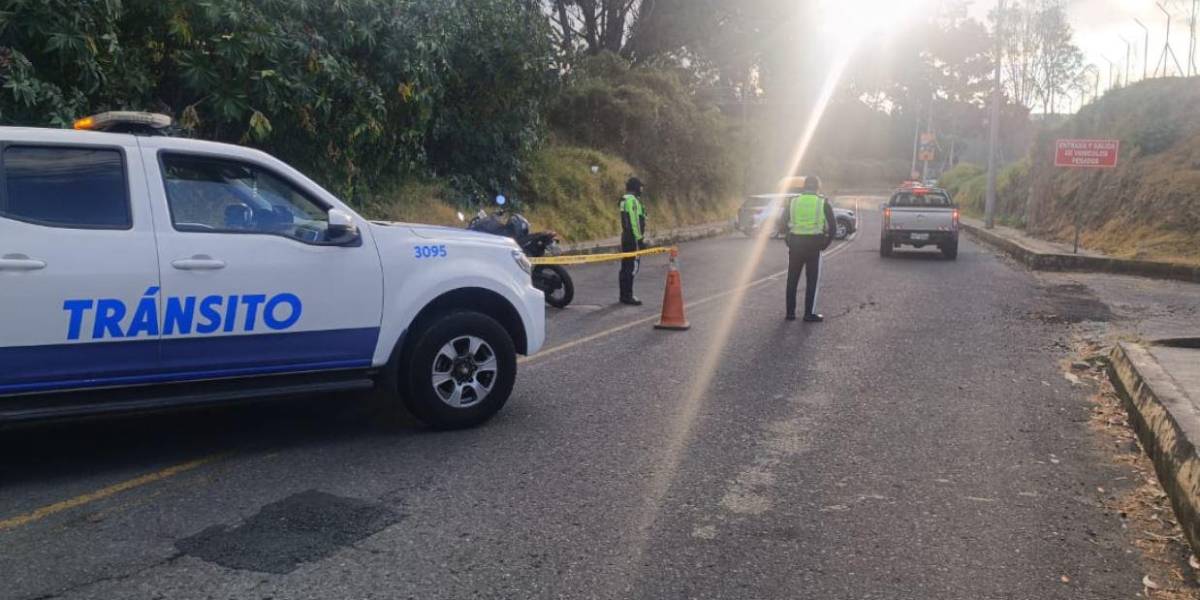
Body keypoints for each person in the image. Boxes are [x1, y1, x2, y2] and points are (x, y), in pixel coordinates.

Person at [777, 175, 836, 322]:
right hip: (814, 245)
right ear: (817, 187)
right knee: (812, 281)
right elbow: (833, 228)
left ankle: (790, 314)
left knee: (792, 280)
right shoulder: (822, 203)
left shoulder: (793, 202)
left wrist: (788, 240)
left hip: (796, 244)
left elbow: (781, 225)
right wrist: (825, 244)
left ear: (803, 186)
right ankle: (808, 314)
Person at [618, 177, 647, 305]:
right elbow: (635, 222)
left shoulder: (624, 200)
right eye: (640, 187)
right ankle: (628, 296)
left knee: (625, 267)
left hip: (625, 237)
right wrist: (639, 239)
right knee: (632, 267)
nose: (642, 189)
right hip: (633, 239)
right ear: (635, 187)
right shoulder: (633, 201)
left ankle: (624, 295)